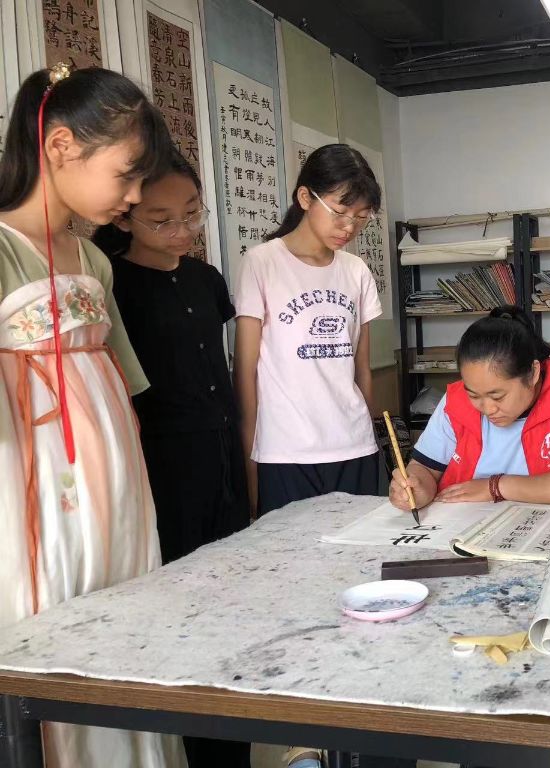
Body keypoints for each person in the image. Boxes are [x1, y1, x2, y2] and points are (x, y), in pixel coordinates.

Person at [0, 65, 184, 767]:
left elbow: (121, 382)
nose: (134, 196)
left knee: (124, 618)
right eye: (127, 175)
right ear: (60, 147)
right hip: (34, 491)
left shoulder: (91, 262)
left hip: (116, 488)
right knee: (52, 621)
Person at [92, 150, 251, 767]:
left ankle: (233, 746)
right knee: (185, 616)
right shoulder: (111, 283)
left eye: (192, 214)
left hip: (223, 459)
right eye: (162, 220)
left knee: (231, 608)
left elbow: (223, 370)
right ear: (125, 215)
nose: (183, 231)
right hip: (164, 468)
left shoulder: (206, 280)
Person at [233, 143, 383, 519]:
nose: (349, 227)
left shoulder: (356, 271)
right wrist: (249, 458)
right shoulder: (262, 263)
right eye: (340, 213)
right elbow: (246, 373)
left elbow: (361, 370)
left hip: (354, 446)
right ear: (305, 197)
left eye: (361, 217)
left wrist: (373, 436)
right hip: (285, 451)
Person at [389, 305, 550, 511]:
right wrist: (416, 488)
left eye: (497, 396)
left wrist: (494, 487)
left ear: (533, 373)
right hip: (463, 522)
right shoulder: (455, 399)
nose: (487, 408)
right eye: (474, 395)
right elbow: (425, 469)